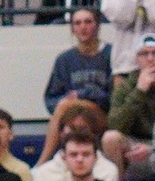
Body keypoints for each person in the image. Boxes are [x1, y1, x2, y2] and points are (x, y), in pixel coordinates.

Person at [41, 8, 115, 153]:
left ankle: (43, 161)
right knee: (65, 109)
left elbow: (113, 98)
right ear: (72, 29)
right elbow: (50, 100)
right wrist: (69, 100)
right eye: (77, 23)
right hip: (72, 114)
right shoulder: (64, 59)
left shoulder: (112, 54)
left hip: (102, 115)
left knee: (65, 106)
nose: (83, 27)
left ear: (98, 25)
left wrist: (82, 95)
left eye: (88, 22)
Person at [101, 34, 155, 172]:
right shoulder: (125, 87)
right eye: (144, 54)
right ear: (137, 60)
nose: (150, 59)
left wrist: (153, 149)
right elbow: (115, 126)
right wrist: (139, 91)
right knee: (110, 138)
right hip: (134, 146)